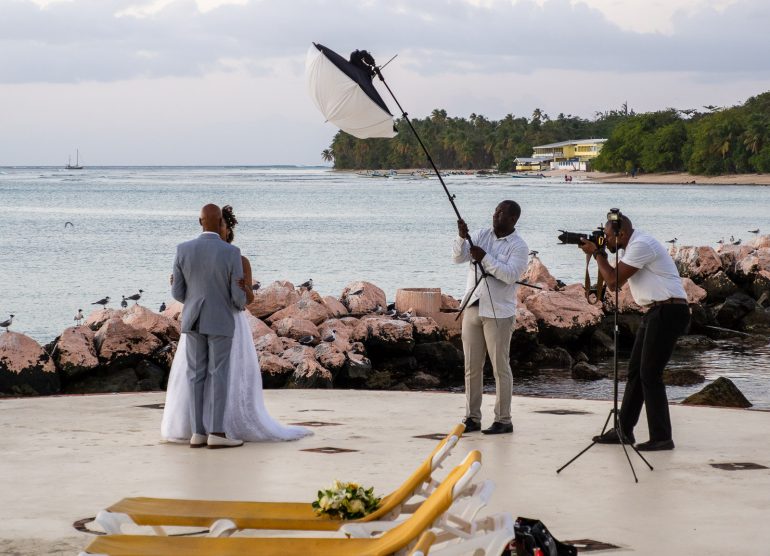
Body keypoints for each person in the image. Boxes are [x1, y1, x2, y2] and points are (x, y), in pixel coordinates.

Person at [162, 205, 311, 445]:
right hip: (222, 317)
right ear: (219, 222)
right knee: (219, 374)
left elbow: (179, 294)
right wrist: (238, 295)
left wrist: (194, 293)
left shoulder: (183, 249)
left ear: (201, 221)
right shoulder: (231, 254)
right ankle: (217, 433)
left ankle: (197, 433)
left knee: (195, 375)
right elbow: (238, 300)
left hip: (194, 319)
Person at [579, 213, 690, 451]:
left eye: (607, 236)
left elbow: (612, 281)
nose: (606, 241)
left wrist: (597, 253)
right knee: (635, 373)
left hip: (669, 311)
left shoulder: (640, 244)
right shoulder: (633, 246)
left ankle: (662, 437)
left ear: (622, 234)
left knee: (650, 373)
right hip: (656, 311)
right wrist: (599, 252)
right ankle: (623, 431)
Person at [453, 201, 529, 435]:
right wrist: (462, 238)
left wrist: (485, 258)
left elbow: (509, 275)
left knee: (500, 367)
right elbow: (458, 258)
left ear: (513, 218)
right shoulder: (481, 235)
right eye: (495, 211)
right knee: (471, 367)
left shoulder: (519, 246)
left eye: (501, 213)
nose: (495, 216)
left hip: (499, 312)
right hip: (473, 307)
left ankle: (503, 419)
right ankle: (472, 417)